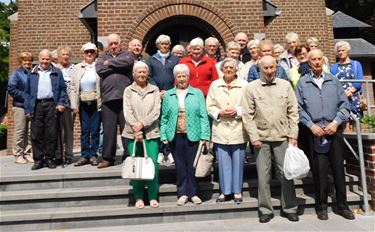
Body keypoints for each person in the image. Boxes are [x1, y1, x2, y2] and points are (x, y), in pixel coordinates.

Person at [296, 49, 354, 221]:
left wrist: (336, 122)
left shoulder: (333, 81)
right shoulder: (302, 83)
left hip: (333, 130)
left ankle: (342, 205)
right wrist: (310, 125)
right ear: (309, 62)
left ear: (324, 61)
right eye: (313, 59)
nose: (317, 62)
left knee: (337, 168)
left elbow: (345, 105)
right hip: (315, 132)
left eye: (319, 59)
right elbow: (298, 108)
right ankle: (321, 206)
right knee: (319, 170)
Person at [242, 55, 299, 223]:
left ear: (276, 67)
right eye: (265, 68)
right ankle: (265, 210)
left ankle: (289, 208)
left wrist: (293, 135)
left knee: (286, 174)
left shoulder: (285, 86)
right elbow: (247, 115)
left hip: (282, 137)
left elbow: (293, 113)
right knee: (263, 176)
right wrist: (253, 137)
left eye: (271, 67)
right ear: (260, 69)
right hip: (261, 138)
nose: (268, 71)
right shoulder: (251, 88)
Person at [160, 64, 211, 206]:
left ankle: (193, 193)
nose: (182, 79)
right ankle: (182, 193)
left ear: (188, 77)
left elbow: (203, 116)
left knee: (192, 165)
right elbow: (164, 117)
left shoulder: (197, 93)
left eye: (184, 76)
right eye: (179, 76)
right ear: (175, 78)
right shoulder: (169, 95)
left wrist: (205, 135)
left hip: (193, 133)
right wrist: (163, 134)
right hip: (175, 134)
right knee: (180, 165)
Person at [206, 58, 248, 204]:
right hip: (221, 128)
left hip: (238, 128)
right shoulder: (215, 85)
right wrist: (219, 112)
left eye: (231, 67)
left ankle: (237, 191)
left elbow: (249, 106)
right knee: (223, 162)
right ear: (222, 69)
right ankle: (225, 192)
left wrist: (237, 111)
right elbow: (209, 105)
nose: (229, 70)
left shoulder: (244, 85)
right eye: (226, 67)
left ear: (236, 69)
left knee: (238, 161)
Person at [95, 34, 139, 168]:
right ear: (108, 44)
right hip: (108, 98)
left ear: (120, 43)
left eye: (116, 43)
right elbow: (100, 69)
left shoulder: (127, 54)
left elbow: (128, 62)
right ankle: (108, 158)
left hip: (125, 98)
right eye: (111, 44)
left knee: (127, 128)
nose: (113, 46)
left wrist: (110, 63)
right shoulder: (102, 57)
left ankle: (128, 156)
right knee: (109, 130)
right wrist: (116, 64)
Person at [122, 61, 161, 209]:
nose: (142, 74)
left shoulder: (155, 90)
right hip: (132, 134)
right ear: (133, 74)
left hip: (151, 133)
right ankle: (138, 197)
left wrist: (142, 124)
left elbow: (156, 111)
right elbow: (127, 111)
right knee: (135, 166)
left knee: (152, 166)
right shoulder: (128, 90)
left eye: (144, 72)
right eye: (139, 72)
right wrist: (136, 129)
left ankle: (152, 196)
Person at [24, 49, 67, 170]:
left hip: (51, 105)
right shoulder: (32, 73)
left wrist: (60, 102)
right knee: (36, 134)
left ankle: (49, 159)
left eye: (47, 59)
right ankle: (38, 160)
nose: (45, 61)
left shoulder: (57, 72)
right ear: (39, 59)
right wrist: (28, 109)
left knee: (51, 134)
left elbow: (63, 89)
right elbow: (26, 92)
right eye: (43, 59)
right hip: (36, 105)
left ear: (51, 60)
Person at [147, 34, 179, 164]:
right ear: (158, 45)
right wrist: (157, 91)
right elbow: (149, 76)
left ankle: (170, 150)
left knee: (171, 122)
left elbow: (178, 76)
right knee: (159, 123)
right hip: (157, 96)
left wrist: (171, 91)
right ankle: (161, 151)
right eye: (162, 44)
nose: (165, 46)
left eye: (167, 43)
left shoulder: (176, 59)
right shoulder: (151, 60)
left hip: (172, 95)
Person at [70, 42, 101, 166]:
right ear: (83, 53)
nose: (89, 54)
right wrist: (74, 104)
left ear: (95, 53)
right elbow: (73, 87)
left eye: (92, 52)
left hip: (95, 101)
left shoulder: (99, 66)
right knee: (84, 130)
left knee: (95, 130)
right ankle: (84, 155)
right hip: (82, 102)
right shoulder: (77, 67)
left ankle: (93, 155)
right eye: (87, 52)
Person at [7, 52, 34, 164]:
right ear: (21, 62)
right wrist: (25, 96)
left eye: (29, 60)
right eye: (25, 60)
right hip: (20, 106)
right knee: (20, 130)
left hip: (31, 106)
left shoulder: (33, 73)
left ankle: (27, 153)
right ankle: (18, 154)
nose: (27, 62)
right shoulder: (16, 74)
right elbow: (11, 88)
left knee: (29, 131)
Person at [330, 41, 363, 119]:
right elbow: (333, 83)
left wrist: (350, 92)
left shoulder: (356, 64)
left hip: (354, 97)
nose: (341, 52)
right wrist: (344, 93)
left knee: (356, 122)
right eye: (339, 51)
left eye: (343, 50)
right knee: (344, 121)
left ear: (348, 50)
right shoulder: (334, 67)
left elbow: (359, 80)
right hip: (341, 97)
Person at [55, 46, 75, 165]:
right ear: (58, 56)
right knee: (57, 131)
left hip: (69, 104)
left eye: (67, 54)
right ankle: (58, 155)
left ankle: (68, 155)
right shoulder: (54, 69)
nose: (66, 56)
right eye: (63, 54)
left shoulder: (74, 68)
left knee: (68, 130)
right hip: (56, 103)